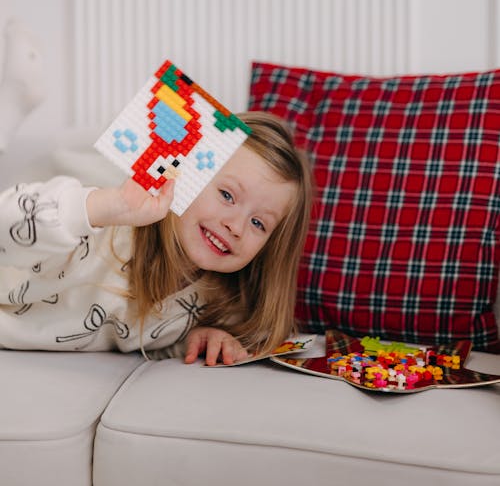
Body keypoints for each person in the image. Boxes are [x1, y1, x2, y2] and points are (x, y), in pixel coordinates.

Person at [0, 111, 312, 365]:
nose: (236, 226)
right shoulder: (113, 231)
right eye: (227, 195)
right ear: (187, 178)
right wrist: (100, 207)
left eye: (258, 223)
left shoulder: (216, 303)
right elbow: (10, 221)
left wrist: (199, 340)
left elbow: (147, 337)